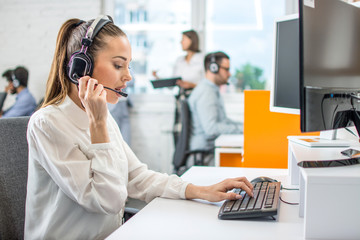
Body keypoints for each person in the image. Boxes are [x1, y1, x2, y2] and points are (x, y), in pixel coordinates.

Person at [24, 16, 253, 240]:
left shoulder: (102, 117)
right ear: (81, 68)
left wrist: (202, 190)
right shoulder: (48, 124)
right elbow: (108, 201)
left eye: (129, 65)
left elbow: (137, 177)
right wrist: (99, 124)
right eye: (118, 65)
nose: (128, 76)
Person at [154, 30, 205, 145]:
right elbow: (174, 84)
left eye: (183, 39)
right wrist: (158, 78)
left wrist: (191, 85)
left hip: (196, 100)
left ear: (192, 40)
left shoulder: (202, 59)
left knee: (194, 131)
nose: (180, 42)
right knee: (180, 132)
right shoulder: (179, 61)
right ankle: (180, 160)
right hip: (181, 101)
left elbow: (207, 85)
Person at [188, 51, 243, 152]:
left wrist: (246, 127)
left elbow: (223, 121)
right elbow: (211, 129)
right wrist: (244, 129)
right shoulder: (206, 92)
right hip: (204, 155)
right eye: (226, 69)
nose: (229, 74)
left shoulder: (212, 90)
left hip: (209, 150)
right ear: (213, 68)